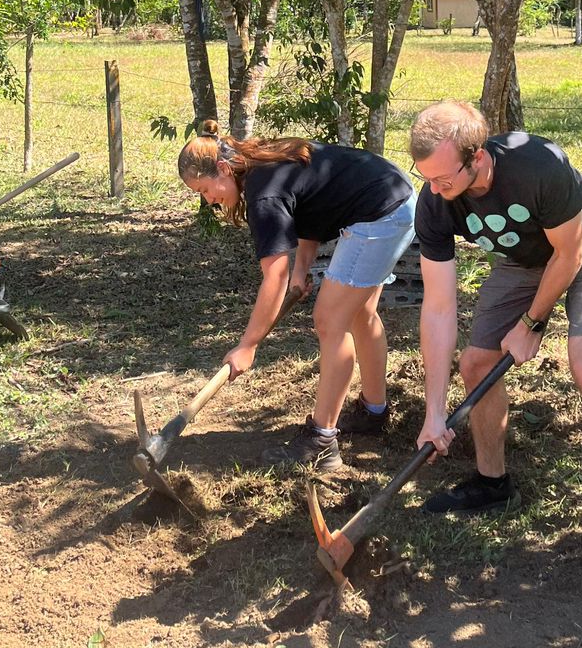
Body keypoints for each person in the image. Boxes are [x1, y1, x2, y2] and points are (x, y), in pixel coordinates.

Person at [409, 99, 582, 575]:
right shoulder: (434, 202)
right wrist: (435, 411)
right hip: (524, 259)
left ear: (477, 157)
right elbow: (438, 307)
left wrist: (531, 323)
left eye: (445, 180)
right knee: (476, 363)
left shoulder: (537, 165)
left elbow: (570, 253)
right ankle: (491, 482)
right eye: (428, 180)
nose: (437, 192)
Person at [177, 122, 415, 470]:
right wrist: (302, 268)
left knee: (330, 321)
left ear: (225, 169)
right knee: (360, 314)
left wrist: (248, 344)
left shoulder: (262, 192)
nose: (208, 199)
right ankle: (373, 412)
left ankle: (321, 441)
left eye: (205, 189)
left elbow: (274, 276)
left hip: (379, 213)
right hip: (394, 199)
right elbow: (309, 207)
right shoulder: (263, 163)